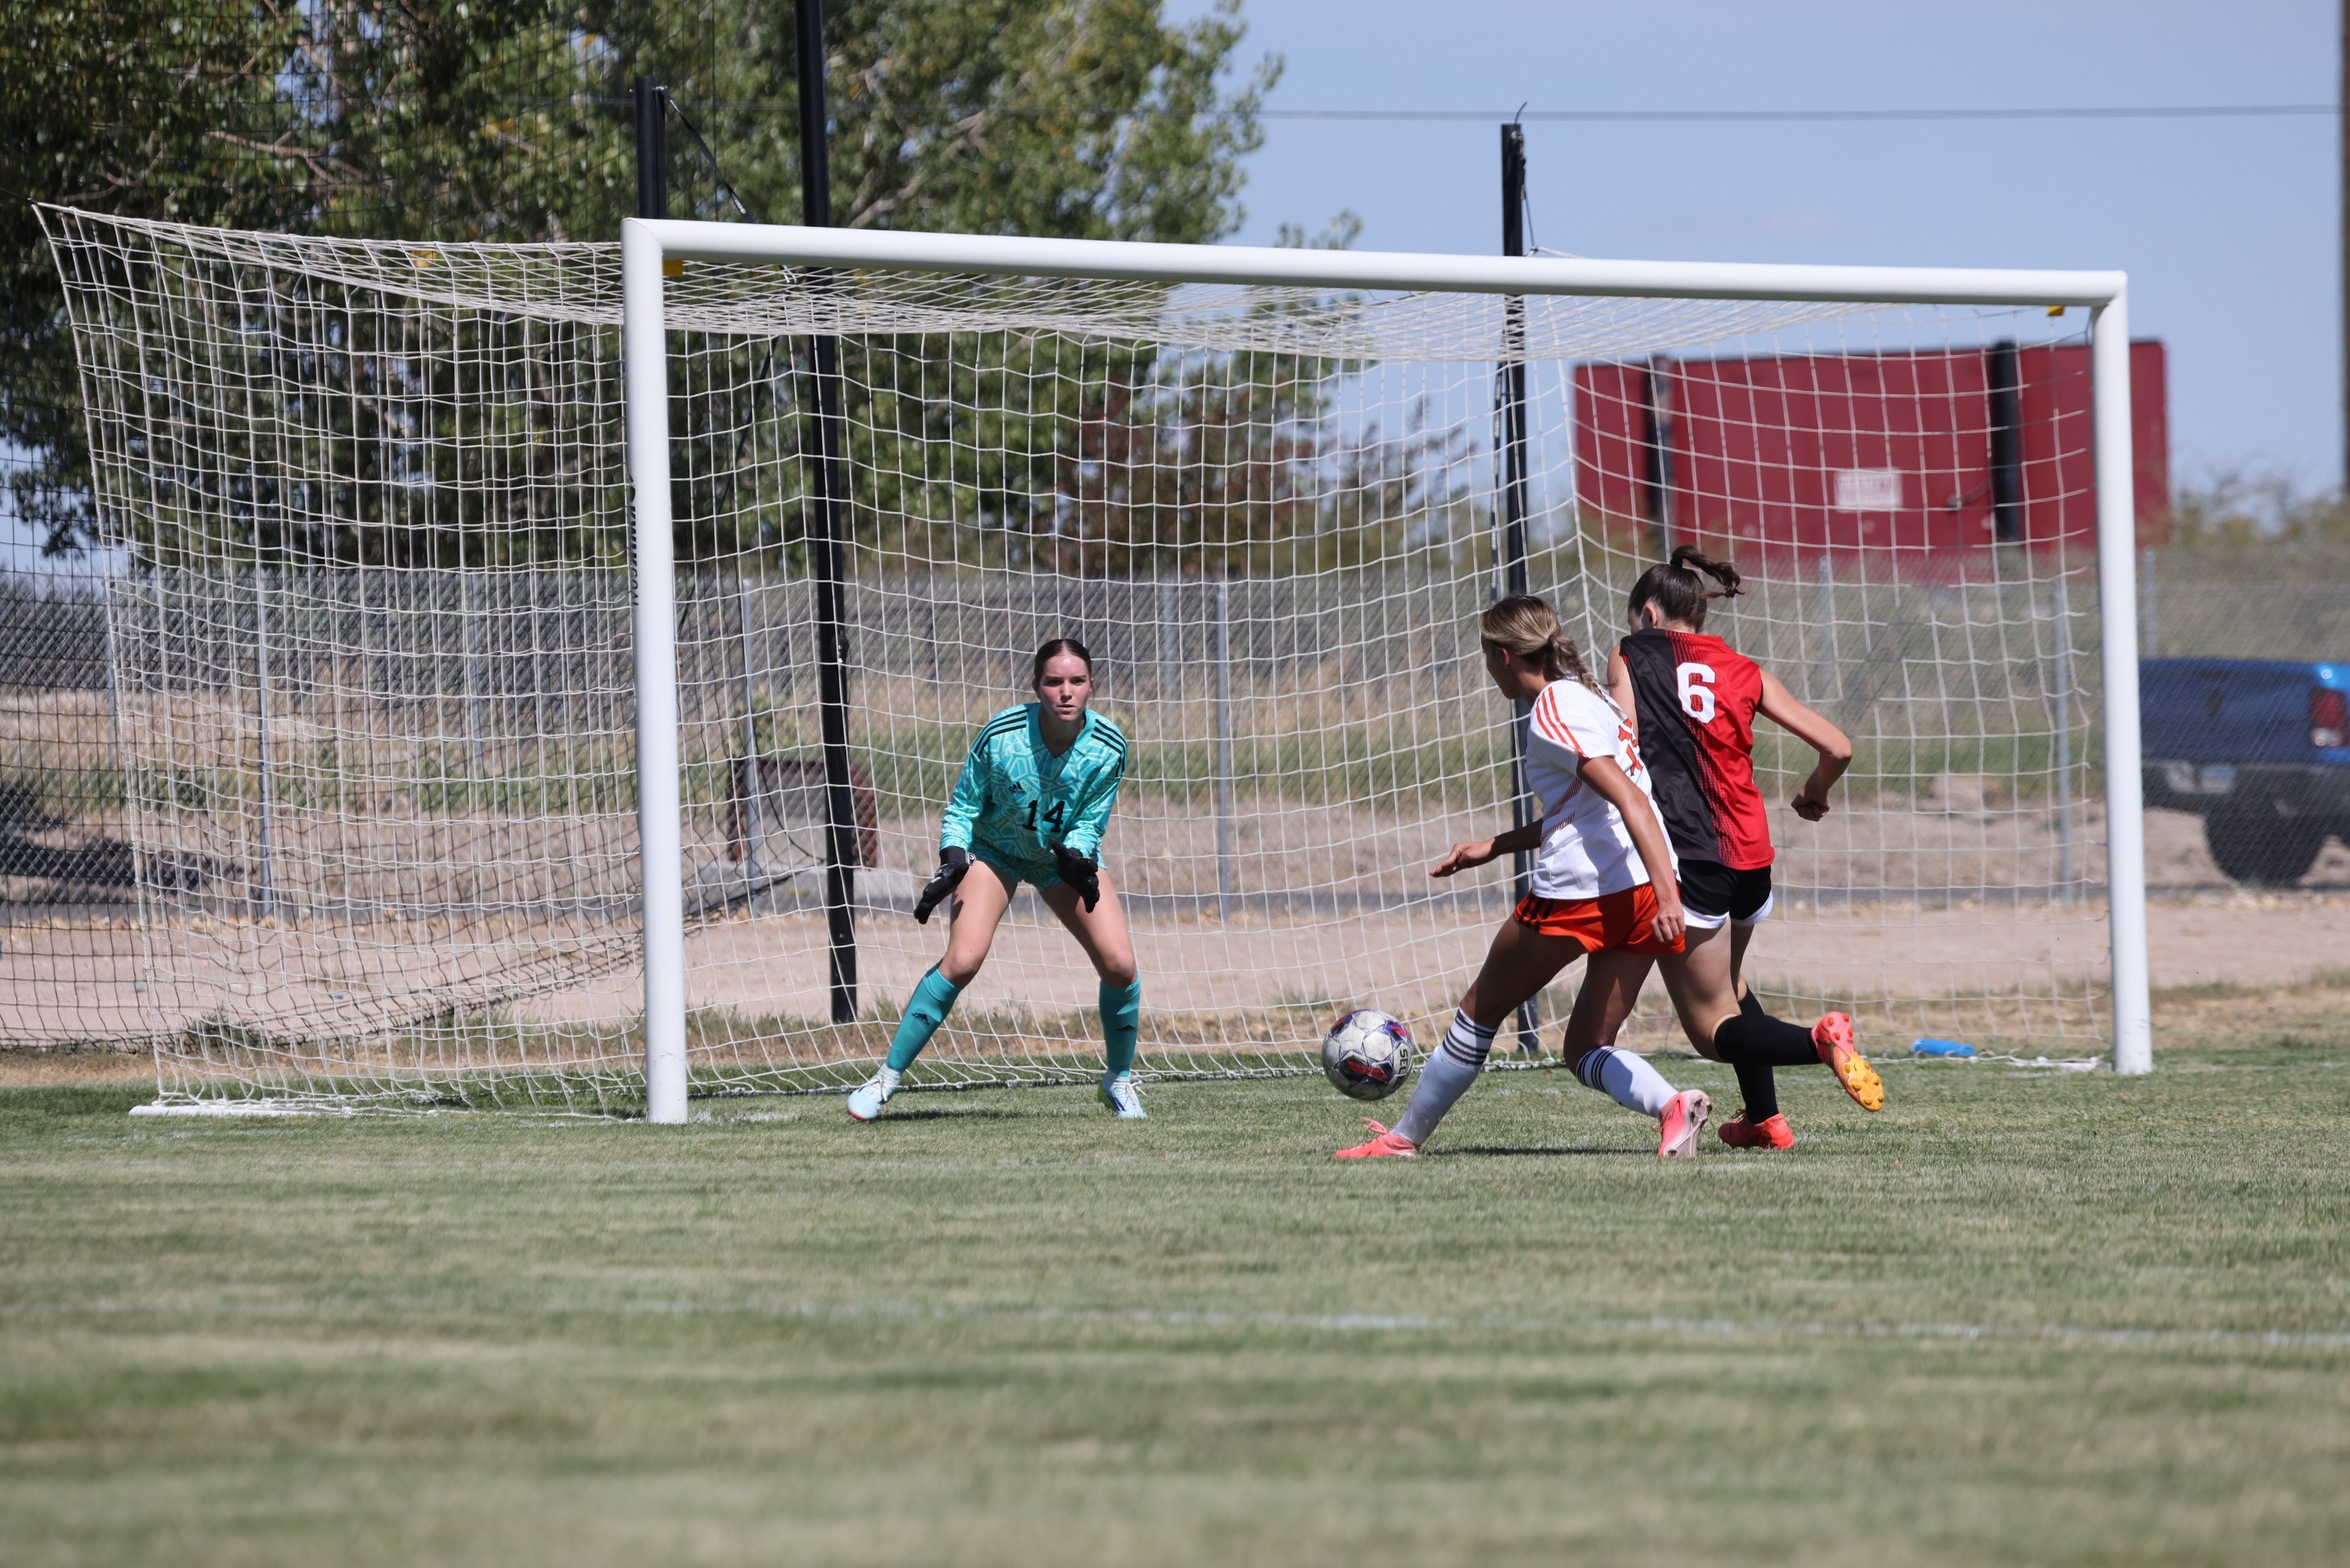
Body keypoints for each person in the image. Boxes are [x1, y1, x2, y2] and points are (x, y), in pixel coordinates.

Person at [1335, 594, 1713, 1160]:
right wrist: (1495, 846)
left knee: (1480, 1009)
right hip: (1641, 886)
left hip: (1590, 892)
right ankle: (1672, 1107)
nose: (1487, 668)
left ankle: (1402, 1139)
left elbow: (1630, 798)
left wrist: (1666, 898)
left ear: (1506, 656)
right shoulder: (1592, 699)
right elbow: (1587, 809)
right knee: (1586, 1045)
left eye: (1487, 656)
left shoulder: (1553, 710)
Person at [1602, 546, 1882, 1149]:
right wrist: (1812, 792)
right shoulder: (1745, 667)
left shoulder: (1629, 654)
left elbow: (1621, 750)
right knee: (1731, 987)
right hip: (1752, 856)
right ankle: (1763, 1121)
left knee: (1710, 1027)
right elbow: (1838, 746)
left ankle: (1819, 1042)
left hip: (1691, 855)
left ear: (1647, 614)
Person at [845, 637, 1145, 1121]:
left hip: (1058, 861)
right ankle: (885, 1078)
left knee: (1119, 964)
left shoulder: (1109, 746)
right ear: (1036, 686)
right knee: (962, 960)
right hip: (994, 853)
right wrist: (952, 858)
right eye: (1053, 681)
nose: (1065, 692)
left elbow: (1091, 821)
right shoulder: (1001, 735)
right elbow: (962, 807)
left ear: (1092, 686)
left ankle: (1120, 1081)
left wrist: (1078, 858)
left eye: (1076, 681)